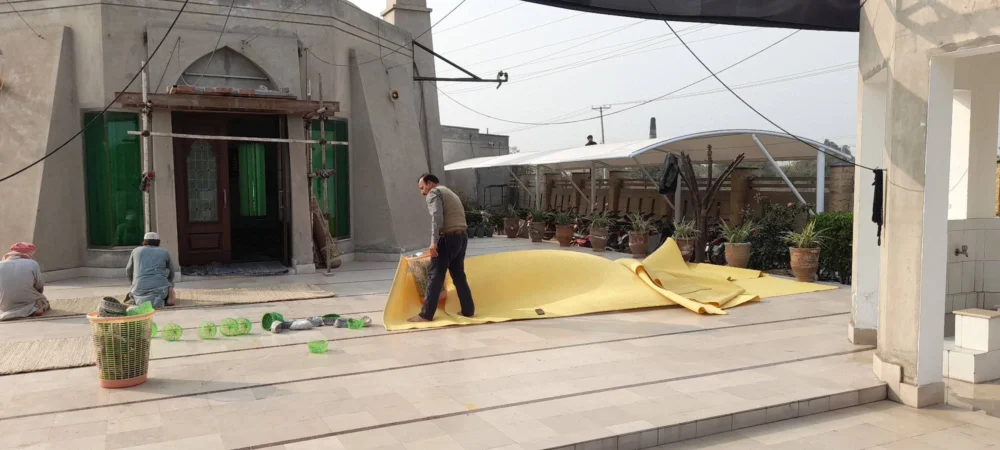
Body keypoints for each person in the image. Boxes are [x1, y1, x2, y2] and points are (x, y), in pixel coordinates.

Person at [408, 174, 475, 322]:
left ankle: (425, 315)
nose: (422, 192)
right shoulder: (450, 192)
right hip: (461, 238)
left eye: (422, 187)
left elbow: (436, 217)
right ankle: (468, 310)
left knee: (435, 275)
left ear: (430, 183)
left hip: (448, 239)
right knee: (458, 276)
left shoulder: (434, 193)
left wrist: (433, 242)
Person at [0, 242, 50, 321]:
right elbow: (39, 286)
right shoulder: (33, 263)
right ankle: (37, 309)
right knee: (43, 301)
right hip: (27, 301)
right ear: (29, 253)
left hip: (4, 305)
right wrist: (39, 295)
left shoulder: (1, 264)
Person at [126, 232, 176, 308]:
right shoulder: (164, 252)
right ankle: (169, 295)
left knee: (135, 292)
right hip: (160, 290)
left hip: (138, 290)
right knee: (168, 285)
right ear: (158, 242)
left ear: (144, 241)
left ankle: (136, 297)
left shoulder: (136, 251)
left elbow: (128, 269)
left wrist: (132, 282)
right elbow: (172, 272)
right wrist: (170, 283)